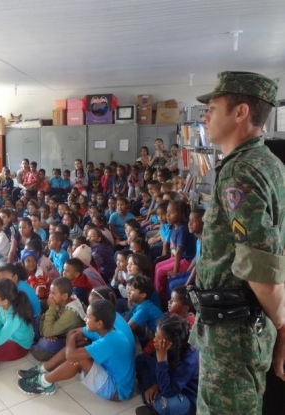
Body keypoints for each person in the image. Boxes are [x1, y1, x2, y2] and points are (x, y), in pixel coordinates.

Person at [188, 71, 285, 414]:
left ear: (241, 112)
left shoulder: (240, 171)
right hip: (242, 326)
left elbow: (260, 267)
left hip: (234, 333)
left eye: (212, 108)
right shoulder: (267, 162)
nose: (205, 116)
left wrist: (283, 324)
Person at [17, 300, 135, 402]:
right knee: (77, 346)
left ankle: (43, 383)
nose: (85, 318)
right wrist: (72, 340)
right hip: (110, 374)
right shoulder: (105, 329)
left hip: (118, 392)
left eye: (88, 317)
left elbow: (71, 355)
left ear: (99, 323)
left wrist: (71, 342)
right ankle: (42, 370)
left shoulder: (109, 341)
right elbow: (72, 332)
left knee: (78, 357)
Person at [135, 316, 199, 415]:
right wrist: (156, 385)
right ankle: (153, 402)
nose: (154, 339)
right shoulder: (169, 347)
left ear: (171, 343)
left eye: (159, 338)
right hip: (170, 382)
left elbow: (169, 391)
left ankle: (155, 407)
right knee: (141, 360)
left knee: (169, 403)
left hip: (186, 394)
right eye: (156, 334)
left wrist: (162, 360)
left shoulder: (190, 360)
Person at [31, 277, 86, 361]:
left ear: (64, 296)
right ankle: (38, 342)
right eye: (50, 292)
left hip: (69, 339)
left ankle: (36, 345)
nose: (50, 296)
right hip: (59, 331)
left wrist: (52, 308)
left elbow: (47, 331)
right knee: (39, 312)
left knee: (46, 345)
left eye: (53, 293)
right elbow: (49, 324)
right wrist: (51, 333)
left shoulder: (70, 314)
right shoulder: (64, 300)